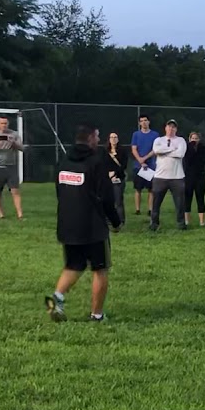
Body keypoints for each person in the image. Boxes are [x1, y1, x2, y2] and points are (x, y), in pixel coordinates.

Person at [45, 125, 123, 323]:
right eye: (97, 136)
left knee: (74, 264)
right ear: (89, 139)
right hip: (93, 226)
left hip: (68, 224)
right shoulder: (96, 162)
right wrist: (116, 221)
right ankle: (97, 315)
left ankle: (57, 298)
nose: (99, 140)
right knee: (100, 268)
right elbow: (106, 197)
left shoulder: (62, 160)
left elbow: (58, 192)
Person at [149, 119, 187, 231]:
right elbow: (156, 150)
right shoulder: (158, 140)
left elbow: (180, 154)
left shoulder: (181, 140)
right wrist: (172, 149)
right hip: (160, 177)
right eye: (169, 126)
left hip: (177, 177)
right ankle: (154, 224)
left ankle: (181, 223)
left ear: (176, 129)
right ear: (165, 128)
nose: (171, 129)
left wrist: (164, 152)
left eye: (173, 127)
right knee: (156, 203)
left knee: (180, 203)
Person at [0, 116, 24, 220]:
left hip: (11, 167)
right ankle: (1, 214)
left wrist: (13, 143)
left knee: (15, 191)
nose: (4, 125)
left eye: (6, 123)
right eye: (2, 123)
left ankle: (20, 215)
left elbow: (22, 148)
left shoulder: (14, 134)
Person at [183, 131, 205, 227]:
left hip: (200, 177)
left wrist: (196, 151)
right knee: (187, 199)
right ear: (189, 139)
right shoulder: (186, 148)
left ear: (199, 139)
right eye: (192, 138)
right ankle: (186, 220)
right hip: (188, 177)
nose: (194, 140)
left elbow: (204, 161)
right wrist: (191, 149)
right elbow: (187, 161)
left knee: (200, 198)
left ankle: (202, 221)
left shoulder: (203, 149)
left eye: (196, 138)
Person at [104, 131, 130, 222]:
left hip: (119, 178)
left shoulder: (123, 151)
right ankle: (109, 219)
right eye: (112, 137)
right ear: (109, 139)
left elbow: (124, 165)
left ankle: (121, 220)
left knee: (118, 200)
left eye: (115, 137)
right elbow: (103, 165)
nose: (113, 139)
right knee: (108, 200)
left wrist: (114, 173)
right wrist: (108, 174)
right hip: (107, 179)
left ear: (118, 139)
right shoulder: (105, 152)